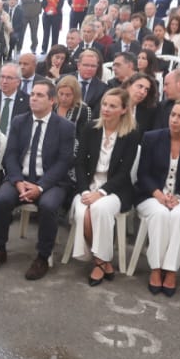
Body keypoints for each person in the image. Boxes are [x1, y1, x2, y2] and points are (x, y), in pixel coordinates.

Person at [0, 80, 74, 280]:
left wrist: (41, 187)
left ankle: (43, 256)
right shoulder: (19, 121)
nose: (33, 98)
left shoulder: (65, 127)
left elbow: (64, 162)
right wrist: (17, 182)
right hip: (21, 178)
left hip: (50, 182)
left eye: (40, 95)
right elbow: (11, 154)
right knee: (1, 200)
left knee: (49, 206)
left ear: (52, 100)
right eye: (32, 94)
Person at [136, 97, 180, 296]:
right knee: (160, 214)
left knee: (177, 216)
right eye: (173, 115)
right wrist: (158, 194)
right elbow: (143, 174)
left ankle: (171, 270)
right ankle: (156, 268)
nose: (174, 120)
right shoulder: (152, 137)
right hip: (151, 195)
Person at [69, 87, 140, 285]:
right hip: (87, 185)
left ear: (124, 109)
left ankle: (98, 262)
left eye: (113, 106)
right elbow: (80, 163)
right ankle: (103, 260)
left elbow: (124, 171)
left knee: (98, 208)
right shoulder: (91, 128)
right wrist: (84, 190)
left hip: (115, 189)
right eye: (105, 104)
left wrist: (100, 192)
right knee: (83, 212)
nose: (106, 109)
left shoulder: (132, 134)